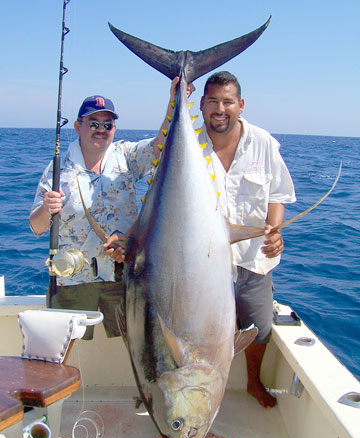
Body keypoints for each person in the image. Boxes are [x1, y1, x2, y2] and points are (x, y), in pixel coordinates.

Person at [29, 80, 180, 340]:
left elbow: (162, 144)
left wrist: (174, 101)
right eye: (94, 124)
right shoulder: (57, 172)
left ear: (114, 128)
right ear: (78, 127)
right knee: (62, 343)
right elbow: (36, 228)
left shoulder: (127, 156)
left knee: (136, 340)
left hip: (123, 274)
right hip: (74, 279)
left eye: (107, 124)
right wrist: (46, 208)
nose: (101, 130)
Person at [198, 71, 296, 408]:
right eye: (212, 101)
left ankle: (253, 382)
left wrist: (276, 229)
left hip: (254, 259)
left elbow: (278, 194)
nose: (220, 109)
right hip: (204, 266)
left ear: (240, 105)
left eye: (227, 102)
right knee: (200, 335)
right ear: (201, 105)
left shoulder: (263, 142)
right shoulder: (188, 145)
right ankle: (202, 391)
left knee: (260, 329)